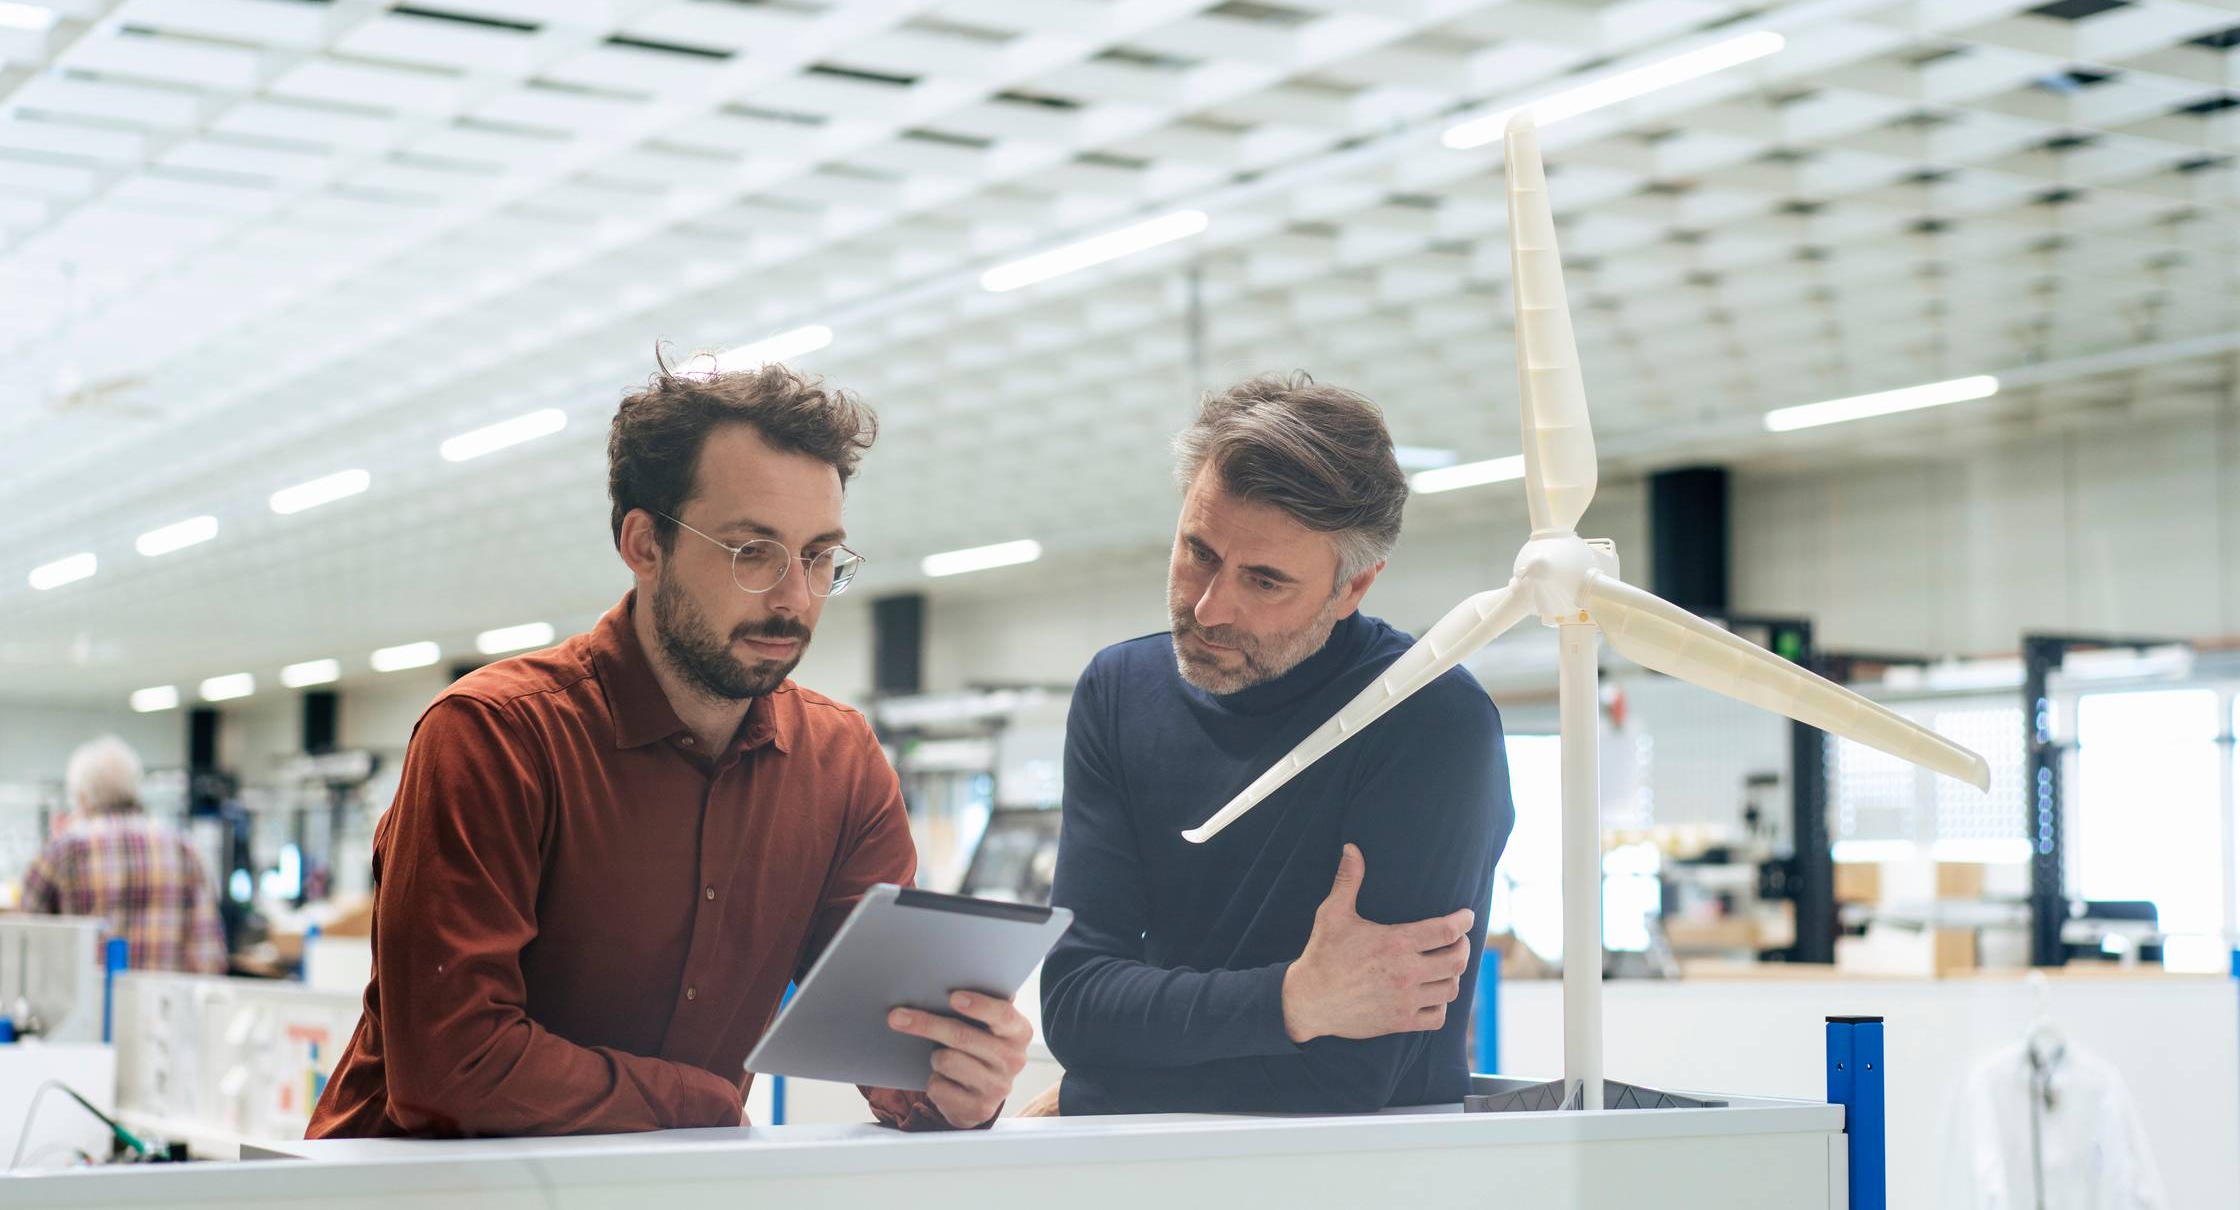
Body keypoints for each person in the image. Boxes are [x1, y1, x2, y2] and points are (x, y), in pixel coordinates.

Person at [308, 352, 1031, 1138]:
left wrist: (956, 1081)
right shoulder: (495, 737)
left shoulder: (841, 764)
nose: (794, 598)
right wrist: (704, 1102)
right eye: (751, 552)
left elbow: (892, 1044)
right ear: (644, 545)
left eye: (819, 556)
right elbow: (453, 1071)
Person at [1037, 373, 1513, 1115]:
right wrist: (1292, 1001)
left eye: (1264, 582)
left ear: (1353, 588)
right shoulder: (1120, 691)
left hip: (1367, 1177)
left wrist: (1094, 1089)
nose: (1207, 607)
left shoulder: (1429, 720)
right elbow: (1074, 1008)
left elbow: (1348, 1079)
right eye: (1198, 550)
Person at [20, 735, 226, 975]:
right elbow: (208, 954)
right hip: (162, 1008)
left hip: (87, 1008)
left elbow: (26, 944)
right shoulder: (184, 848)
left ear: (82, 795)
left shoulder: (63, 849)